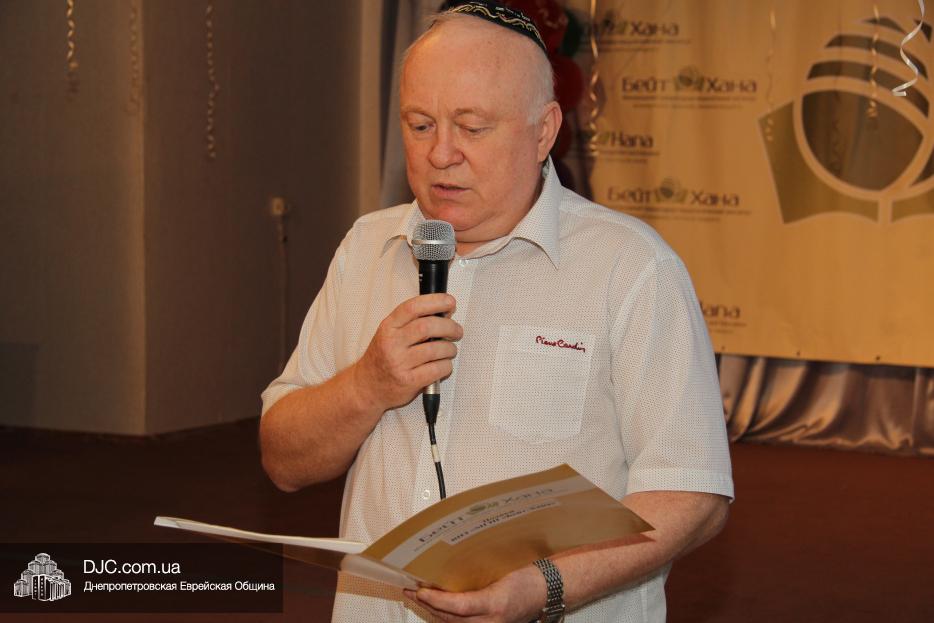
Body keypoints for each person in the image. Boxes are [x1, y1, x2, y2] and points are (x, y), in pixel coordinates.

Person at [259, 2, 733, 621]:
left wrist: (543, 587)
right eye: (420, 124)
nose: (440, 153)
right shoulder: (365, 249)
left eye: (473, 127)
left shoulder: (632, 268)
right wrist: (366, 386)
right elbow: (283, 462)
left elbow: (693, 494)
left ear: (543, 131)